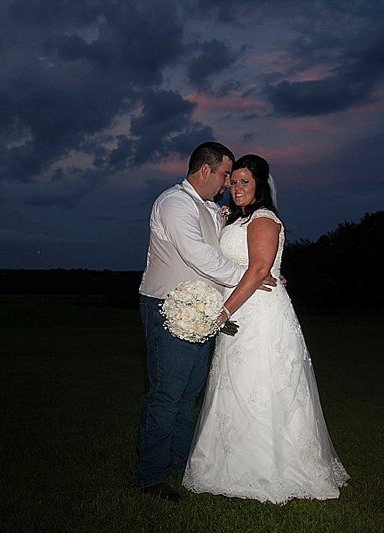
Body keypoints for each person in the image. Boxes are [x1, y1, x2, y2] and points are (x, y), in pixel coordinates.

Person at [183, 154, 350, 503]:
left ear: (260, 186)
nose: (236, 188)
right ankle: (230, 463)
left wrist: (222, 312)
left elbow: (259, 270)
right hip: (242, 312)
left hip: (259, 314)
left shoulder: (263, 219)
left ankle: (269, 468)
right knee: (237, 385)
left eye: (245, 182)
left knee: (261, 386)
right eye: (233, 182)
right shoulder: (236, 220)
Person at [136, 142, 276, 502]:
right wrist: (249, 277)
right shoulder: (174, 203)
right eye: (226, 174)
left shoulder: (213, 209)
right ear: (205, 171)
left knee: (188, 395)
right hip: (169, 307)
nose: (228, 182)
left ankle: (179, 465)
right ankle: (151, 476)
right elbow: (198, 255)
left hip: (203, 312)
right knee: (167, 393)